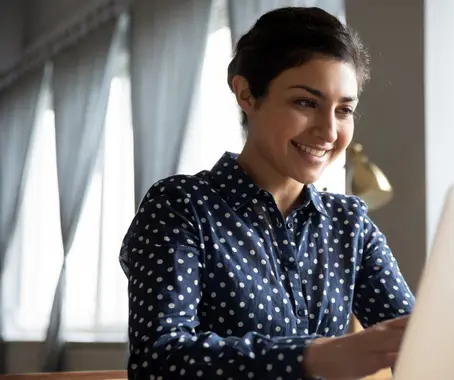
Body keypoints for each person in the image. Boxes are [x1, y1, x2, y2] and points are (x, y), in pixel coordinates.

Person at [119, 6, 415, 380]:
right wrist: (314, 356)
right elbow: (158, 360)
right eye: (306, 103)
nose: (328, 131)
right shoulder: (180, 206)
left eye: (343, 110)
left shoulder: (349, 223)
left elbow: (415, 345)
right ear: (246, 94)